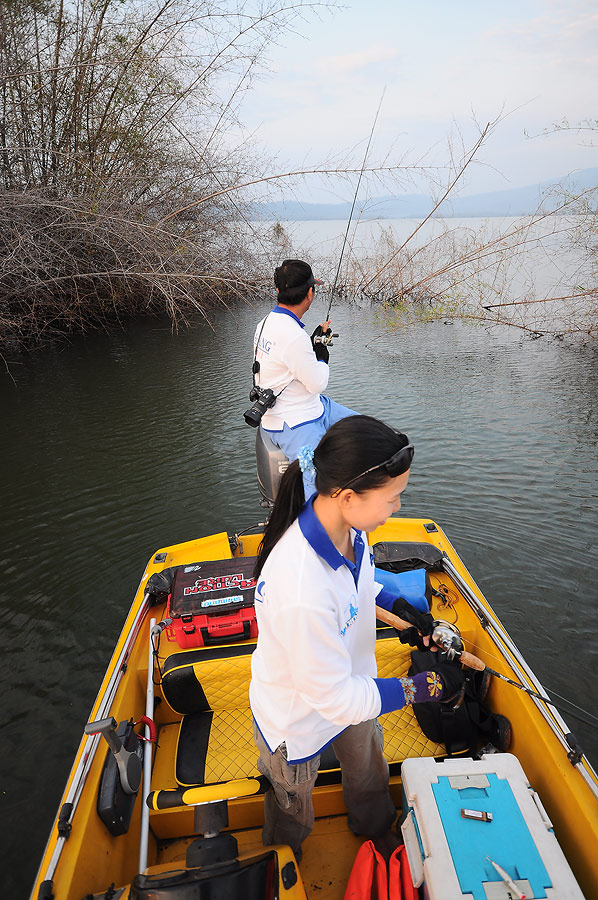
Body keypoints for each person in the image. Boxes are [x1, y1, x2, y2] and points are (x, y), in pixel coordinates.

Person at [249, 415, 465, 862]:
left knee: (368, 771)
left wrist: (403, 609)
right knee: (292, 808)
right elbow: (338, 701)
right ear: (348, 496)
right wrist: (427, 687)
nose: (398, 507)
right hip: (299, 720)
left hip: (353, 685)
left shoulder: (347, 527)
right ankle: (284, 862)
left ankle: (374, 828)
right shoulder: (301, 589)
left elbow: (360, 581)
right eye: (392, 498)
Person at [251, 258, 357, 496]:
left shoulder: (264, 324)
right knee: (322, 489)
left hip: (305, 408)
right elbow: (318, 382)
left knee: (368, 434)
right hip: (295, 423)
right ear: (310, 293)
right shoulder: (293, 336)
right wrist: (321, 355)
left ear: (278, 290)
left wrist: (310, 345)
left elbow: (286, 361)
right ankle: (317, 527)